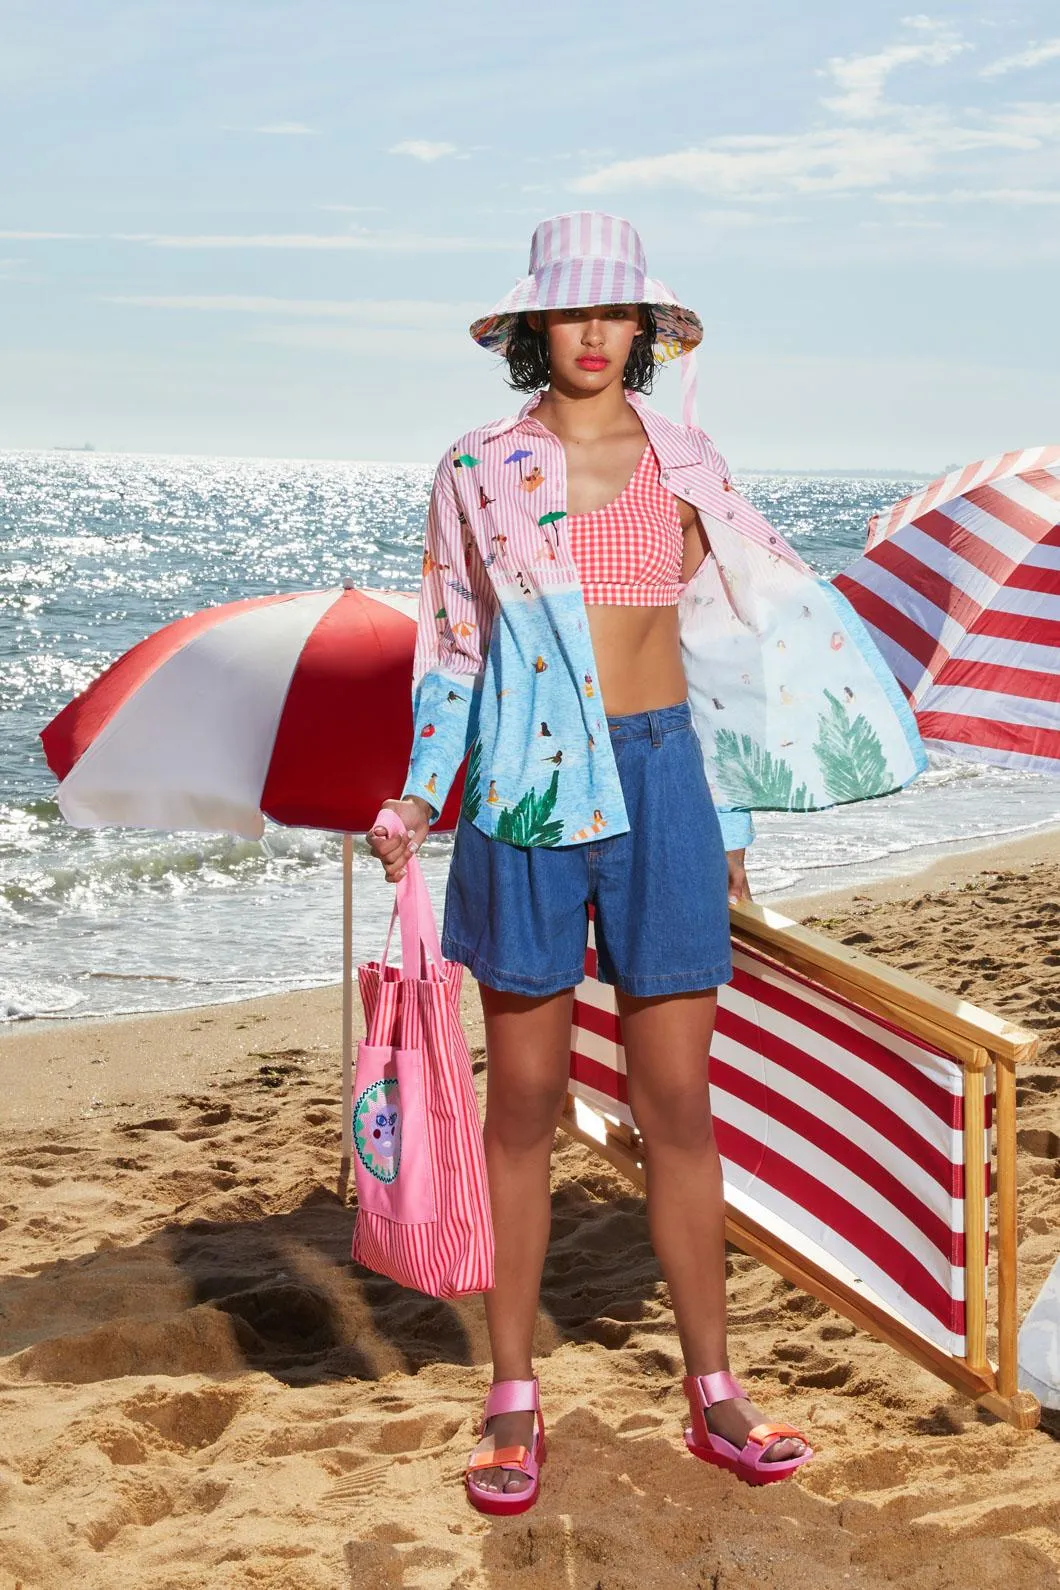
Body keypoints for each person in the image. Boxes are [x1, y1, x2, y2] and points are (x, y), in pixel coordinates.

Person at [367, 212, 924, 1514]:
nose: (596, 335)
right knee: (527, 1103)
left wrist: (734, 820)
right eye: (571, 314)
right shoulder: (475, 465)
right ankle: (511, 1394)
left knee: (679, 1103)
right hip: (523, 787)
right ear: (532, 331)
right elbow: (451, 643)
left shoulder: (690, 458)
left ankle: (714, 1387)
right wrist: (416, 787)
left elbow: (733, 641)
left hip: (667, 785)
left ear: (647, 330)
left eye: (618, 313)